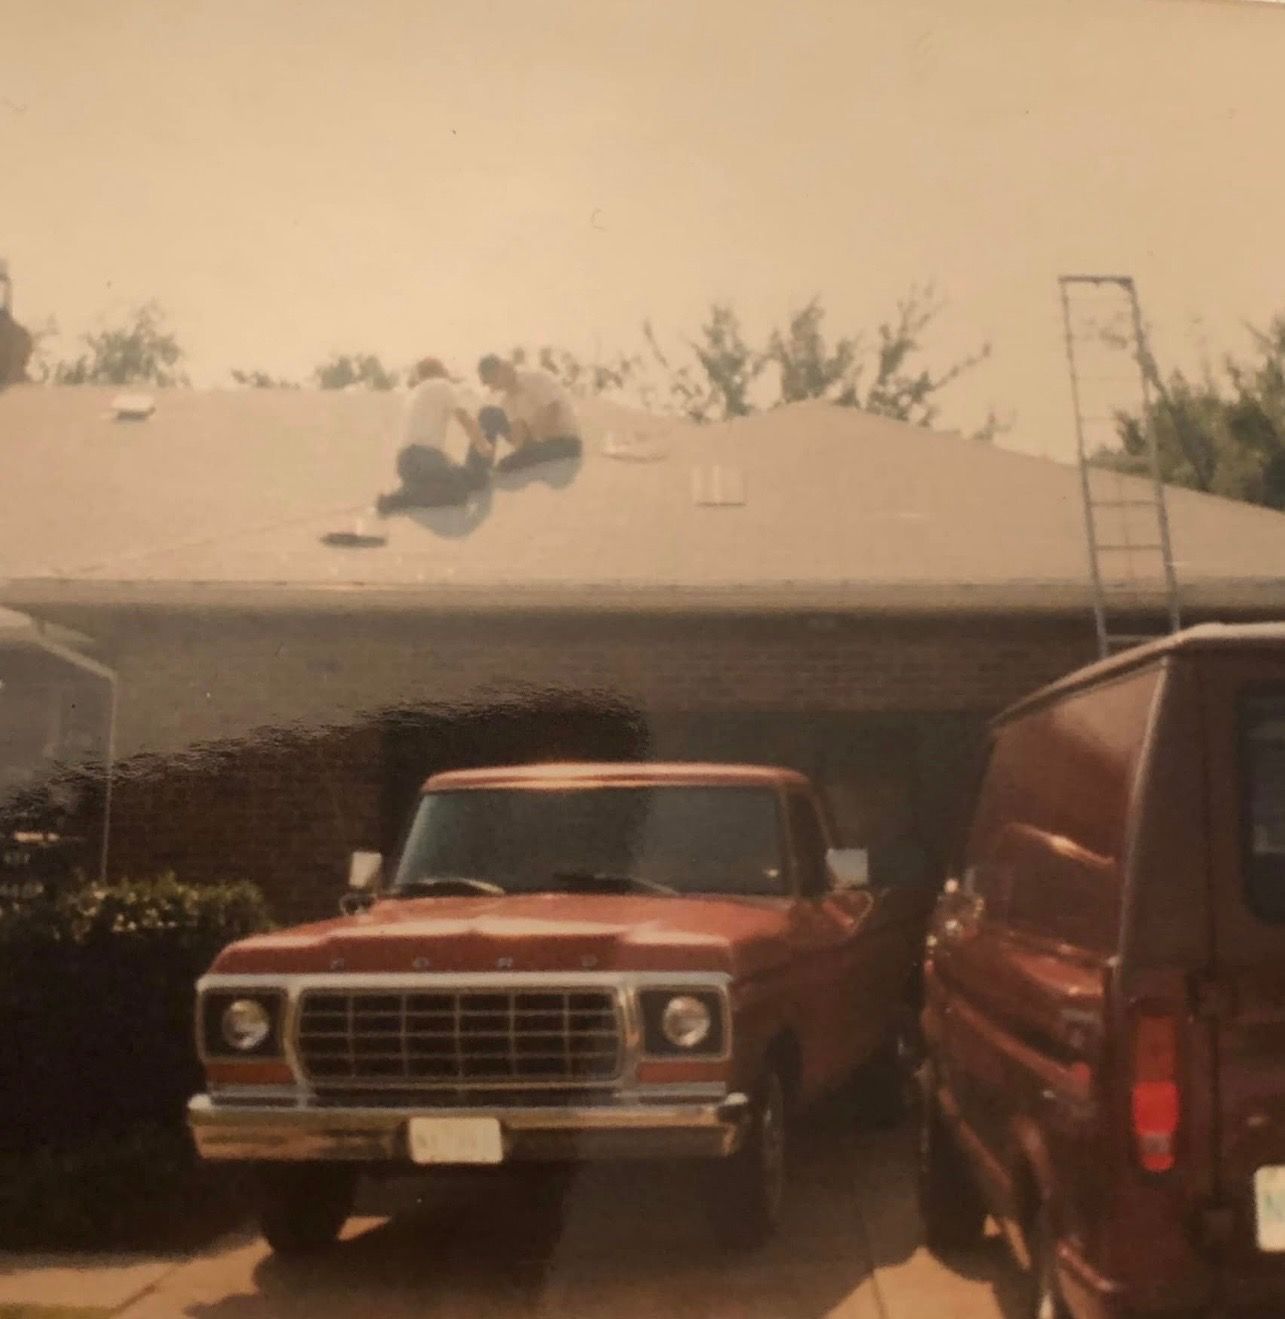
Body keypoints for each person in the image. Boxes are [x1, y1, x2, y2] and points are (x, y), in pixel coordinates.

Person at [376, 357, 494, 514]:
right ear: (438, 371)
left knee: (458, 478)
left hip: (404, 463)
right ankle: (399, 499)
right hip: (425, 458)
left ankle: (409, 491)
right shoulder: (442, 385)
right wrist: (483, 444)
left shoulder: (414, 393)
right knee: (459, 490)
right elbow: (463, 417)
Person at [477, 355, 583, 472]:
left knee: (512, 463)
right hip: (542, 442)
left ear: (502, 370)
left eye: (492, 380)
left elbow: (553, 411)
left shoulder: (535, 378)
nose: (493, 387)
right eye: (489, 383)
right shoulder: (507, 400)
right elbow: (520, 437)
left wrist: (532, 446)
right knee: (489, 416)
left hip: (566, 440)